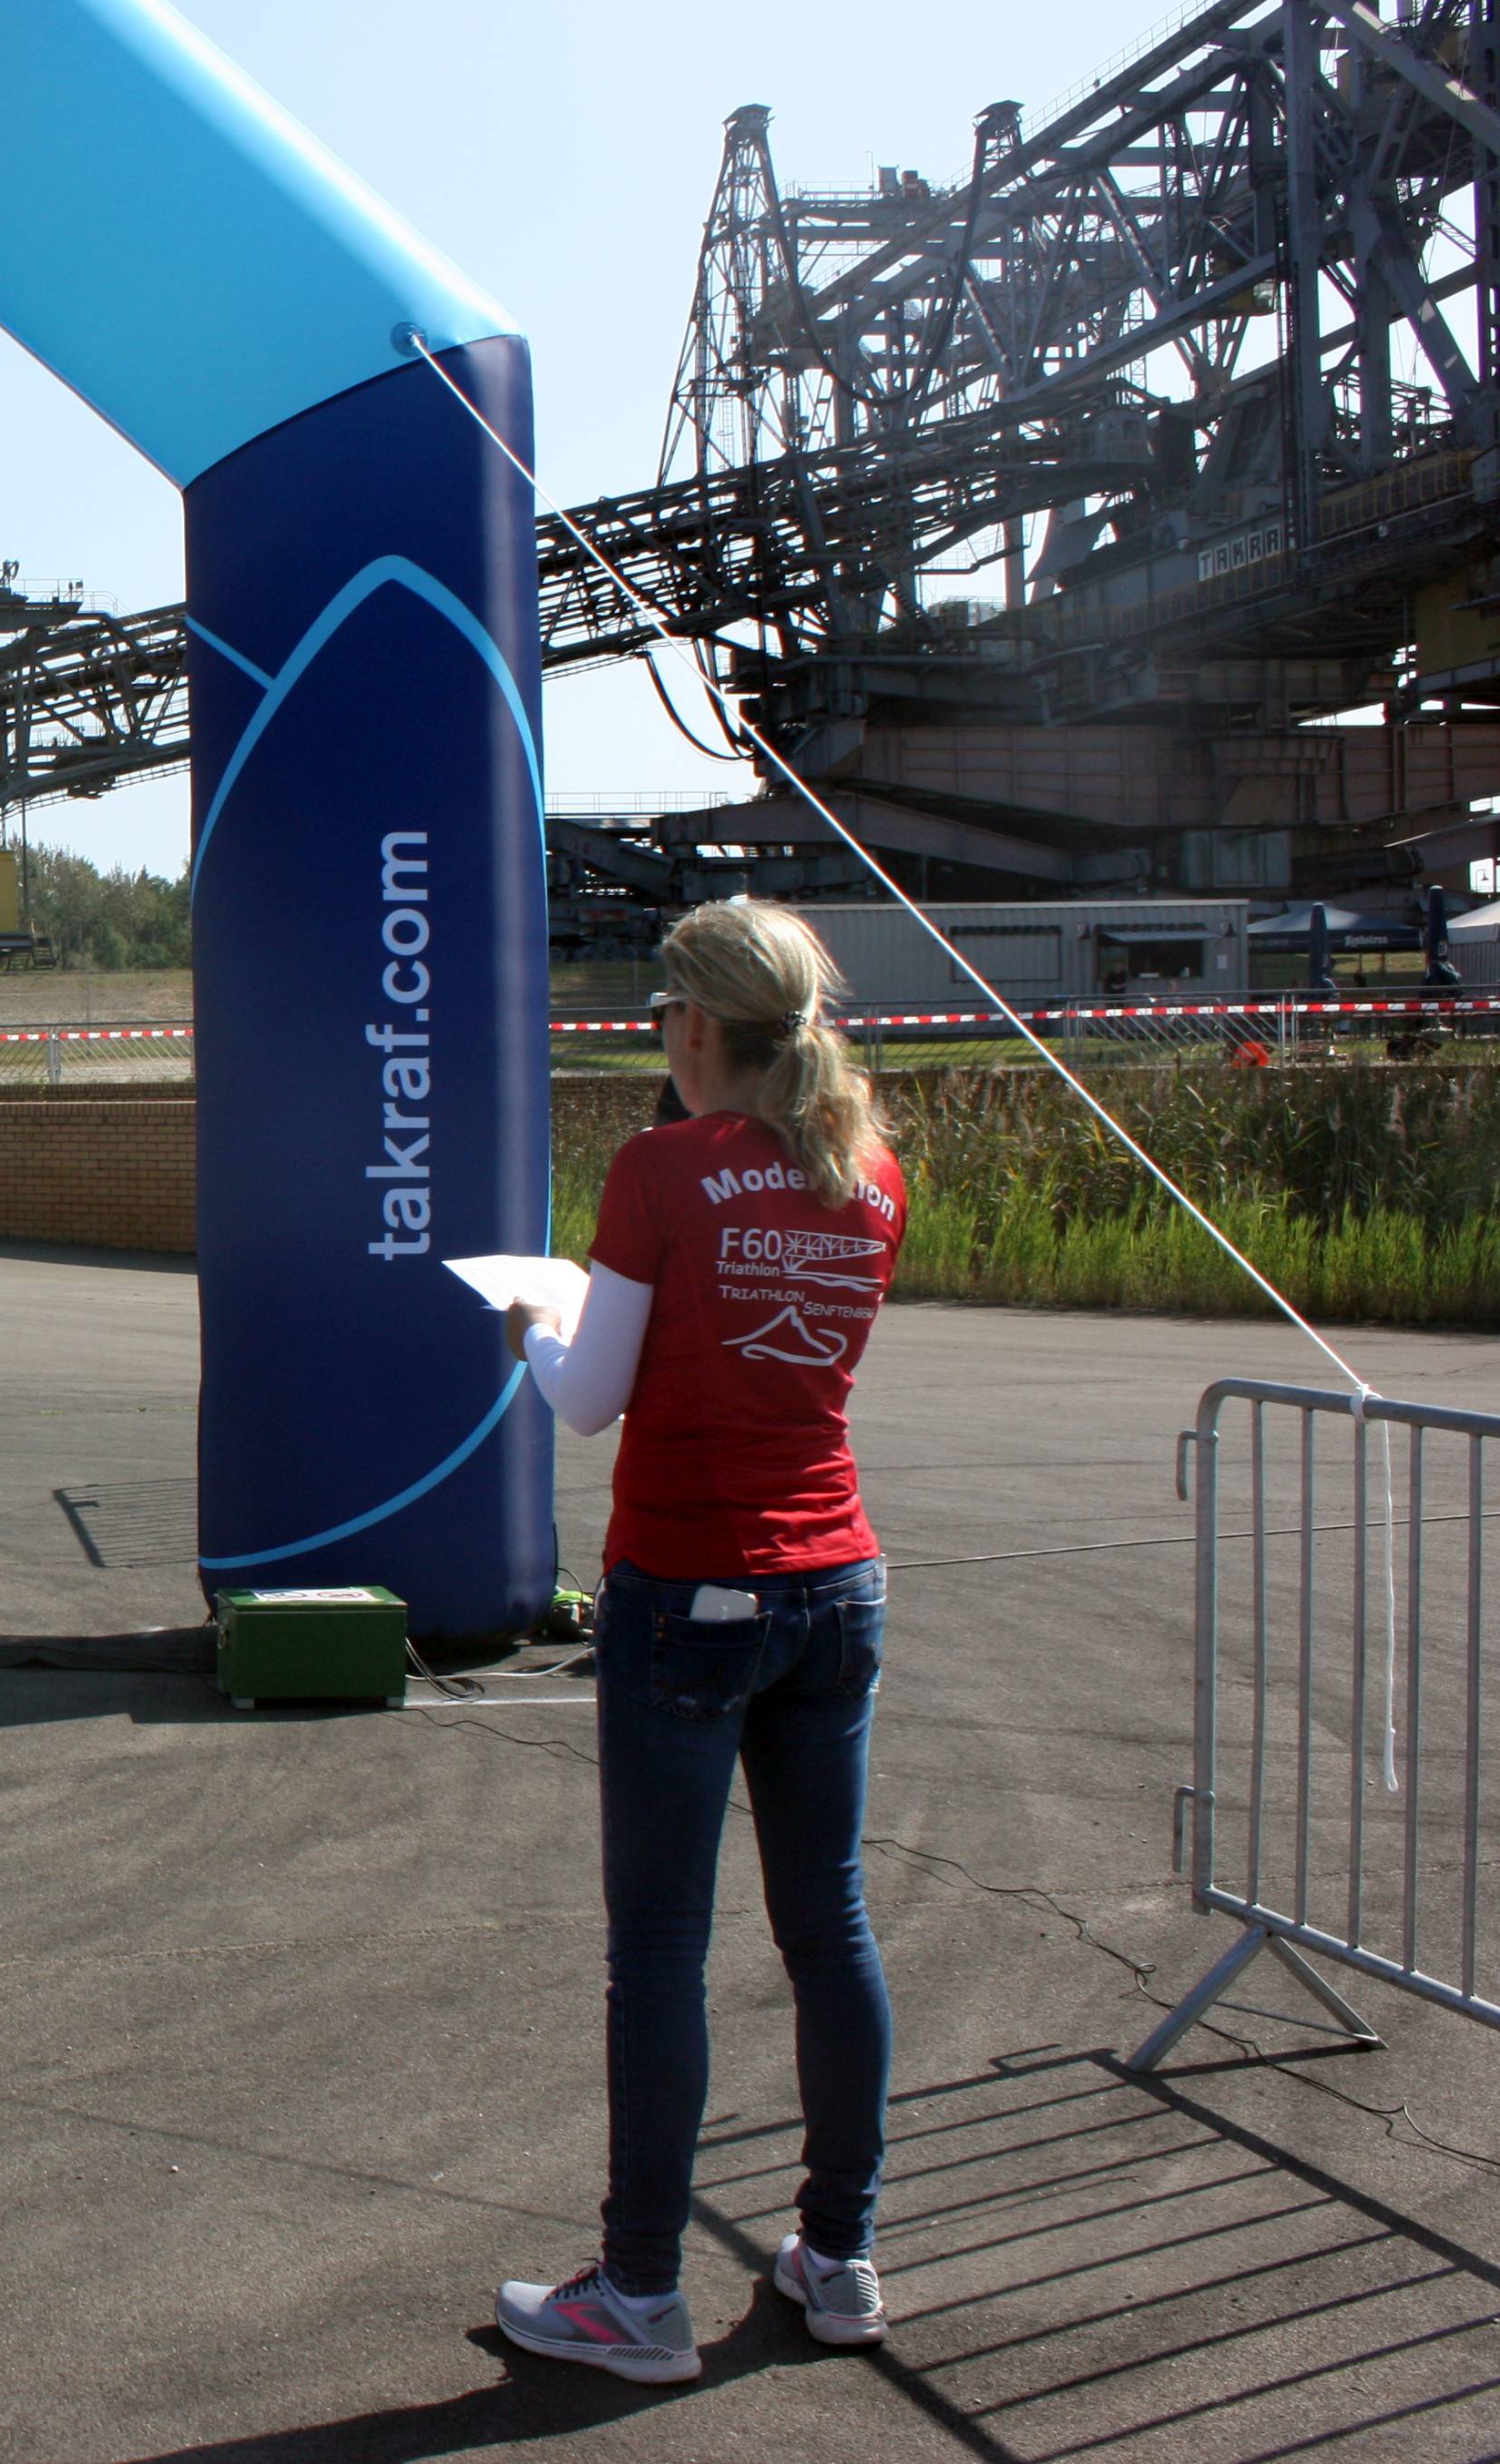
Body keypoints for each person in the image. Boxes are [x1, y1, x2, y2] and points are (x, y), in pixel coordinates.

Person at [488, 898, 907, 2385]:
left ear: (695, 1025)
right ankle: (840, 2254)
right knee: (828, 1925)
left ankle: (641, 2289)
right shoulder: (866, 1171)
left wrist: (533, 1324)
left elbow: (588, 1396)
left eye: (663, 1013)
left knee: (662, 1945)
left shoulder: (662, 1168)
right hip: (834, 1579)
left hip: (689, 1583)